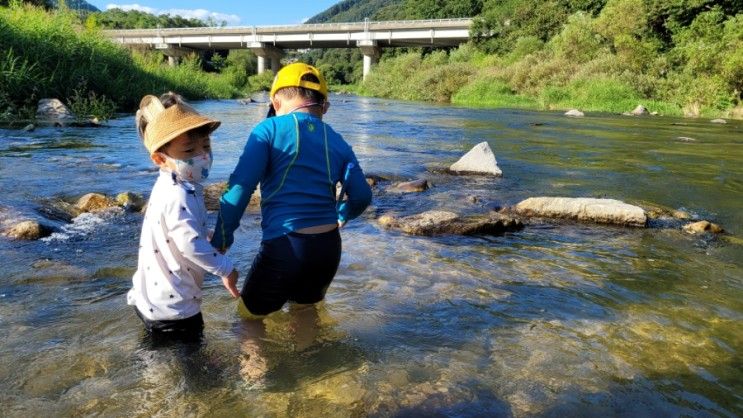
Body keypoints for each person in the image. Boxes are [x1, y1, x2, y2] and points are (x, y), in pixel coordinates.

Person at [211, 62, 373, 318]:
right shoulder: (338, 141)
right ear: (325, 107)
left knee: (248, 319)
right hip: (328, 249)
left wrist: (221, 240)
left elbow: (238, 190)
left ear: (275, 103)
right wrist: (343, 214)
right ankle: (308, 358)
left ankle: (256, 359)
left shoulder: (268, 129)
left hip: (285, 246)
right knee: (305, 312)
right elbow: (363, 196)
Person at [127, 92, 240, 337]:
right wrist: (226, 269)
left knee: (161, 355)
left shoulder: (169, 185)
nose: (202, 156)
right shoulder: (180, 193)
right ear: (160, 158)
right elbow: (189, 243)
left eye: (206, 146)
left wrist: (206, 234)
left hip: (151, 300)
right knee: (196, 368)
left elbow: (179, 230)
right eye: (189, 150)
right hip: (175, 309)